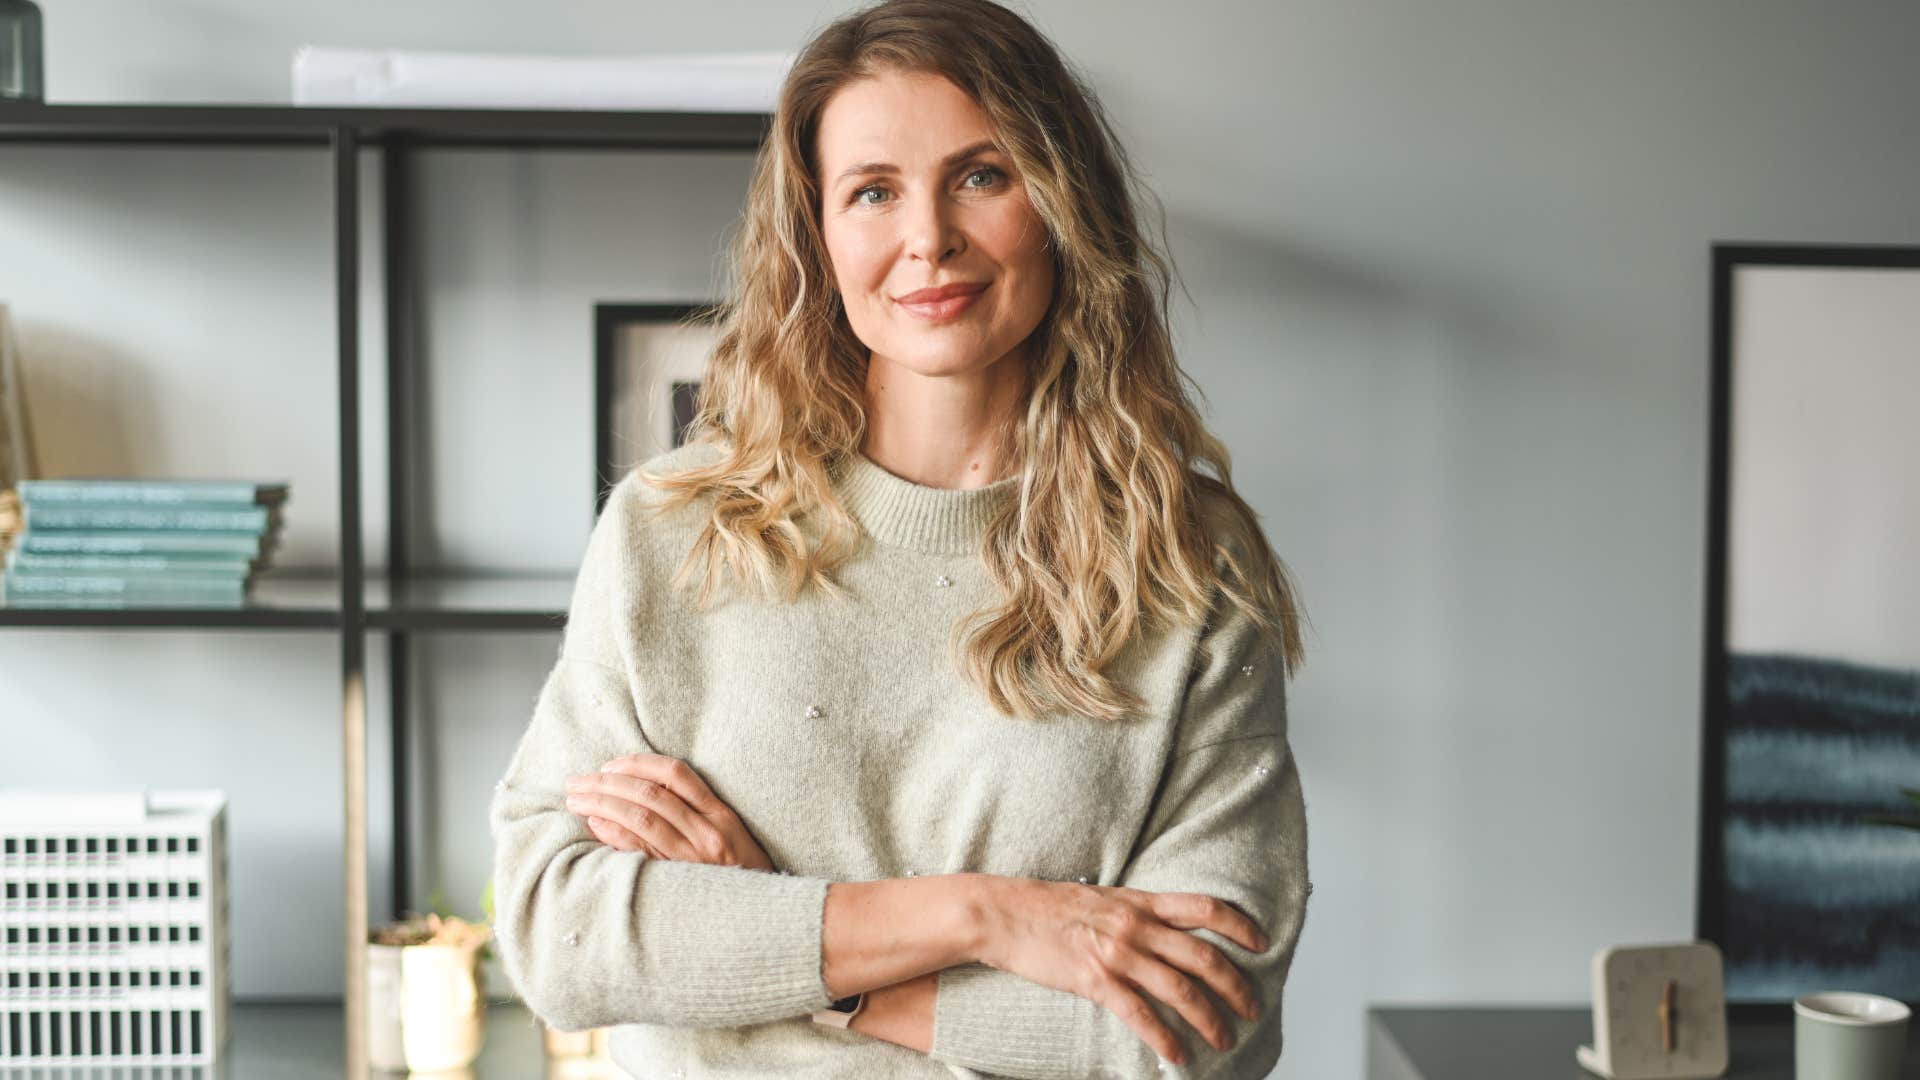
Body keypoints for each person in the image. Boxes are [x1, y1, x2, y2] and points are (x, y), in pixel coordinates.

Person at [488, 1, 1313, 1076]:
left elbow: (1206, 1025)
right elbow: (561, 935)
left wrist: (808, 957)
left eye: (983, 175)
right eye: (873, 191)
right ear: (817, 233)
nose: (929, 238)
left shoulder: (1186, 559)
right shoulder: (673, 529)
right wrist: (988, 916)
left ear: (1063, 204)